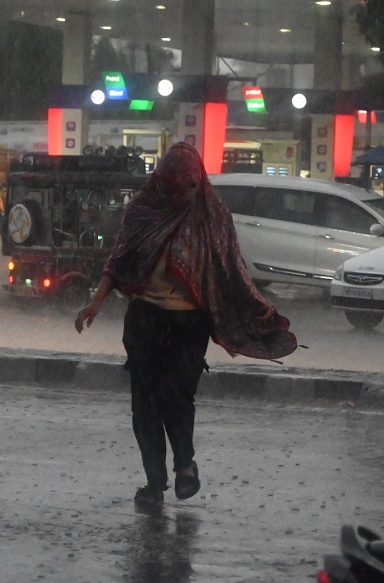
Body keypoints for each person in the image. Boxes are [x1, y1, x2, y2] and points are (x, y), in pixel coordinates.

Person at [75, 142, 297, 508]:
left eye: (188, 189)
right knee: (144, 404)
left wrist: (252, 312)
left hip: (189, 323)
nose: (181, 198)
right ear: (160, 184)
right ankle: (154, 483)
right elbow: (119, 259)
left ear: (200, 183)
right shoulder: (142, 212)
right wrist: (96, 301)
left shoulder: (213, 217)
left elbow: (231, 272)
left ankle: (184, 465)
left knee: (176, 397)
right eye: (173, 190)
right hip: (146, 319)